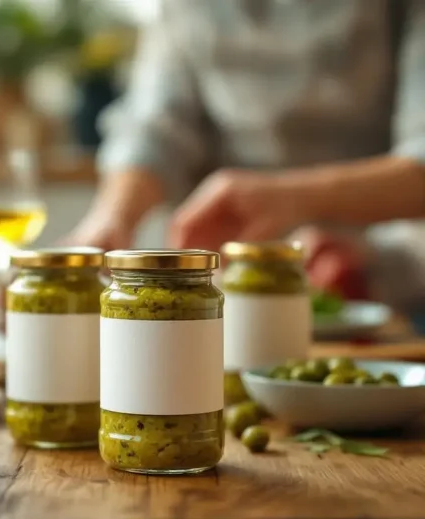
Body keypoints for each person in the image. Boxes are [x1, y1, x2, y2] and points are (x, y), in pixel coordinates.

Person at [65, 0, 425, 308]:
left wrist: (292, 199)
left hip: (387, 271)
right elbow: (155, 126)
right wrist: (111, 219)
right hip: (230, 282)